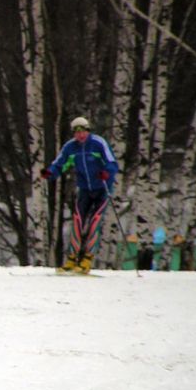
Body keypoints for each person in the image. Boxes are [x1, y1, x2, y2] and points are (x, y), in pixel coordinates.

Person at [41, 116, 118, 273]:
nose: (80, 135)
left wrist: (107, 173)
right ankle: (72, 258)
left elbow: (112, 163)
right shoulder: (70, 147)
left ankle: (87, 259)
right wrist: (50, 173)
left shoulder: (98, 143)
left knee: (95, 221)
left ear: (88, 131)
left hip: (102, 188)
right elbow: (59, 164)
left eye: (83, 131)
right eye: (77, 132)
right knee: (77, 220)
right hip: (84, 189)